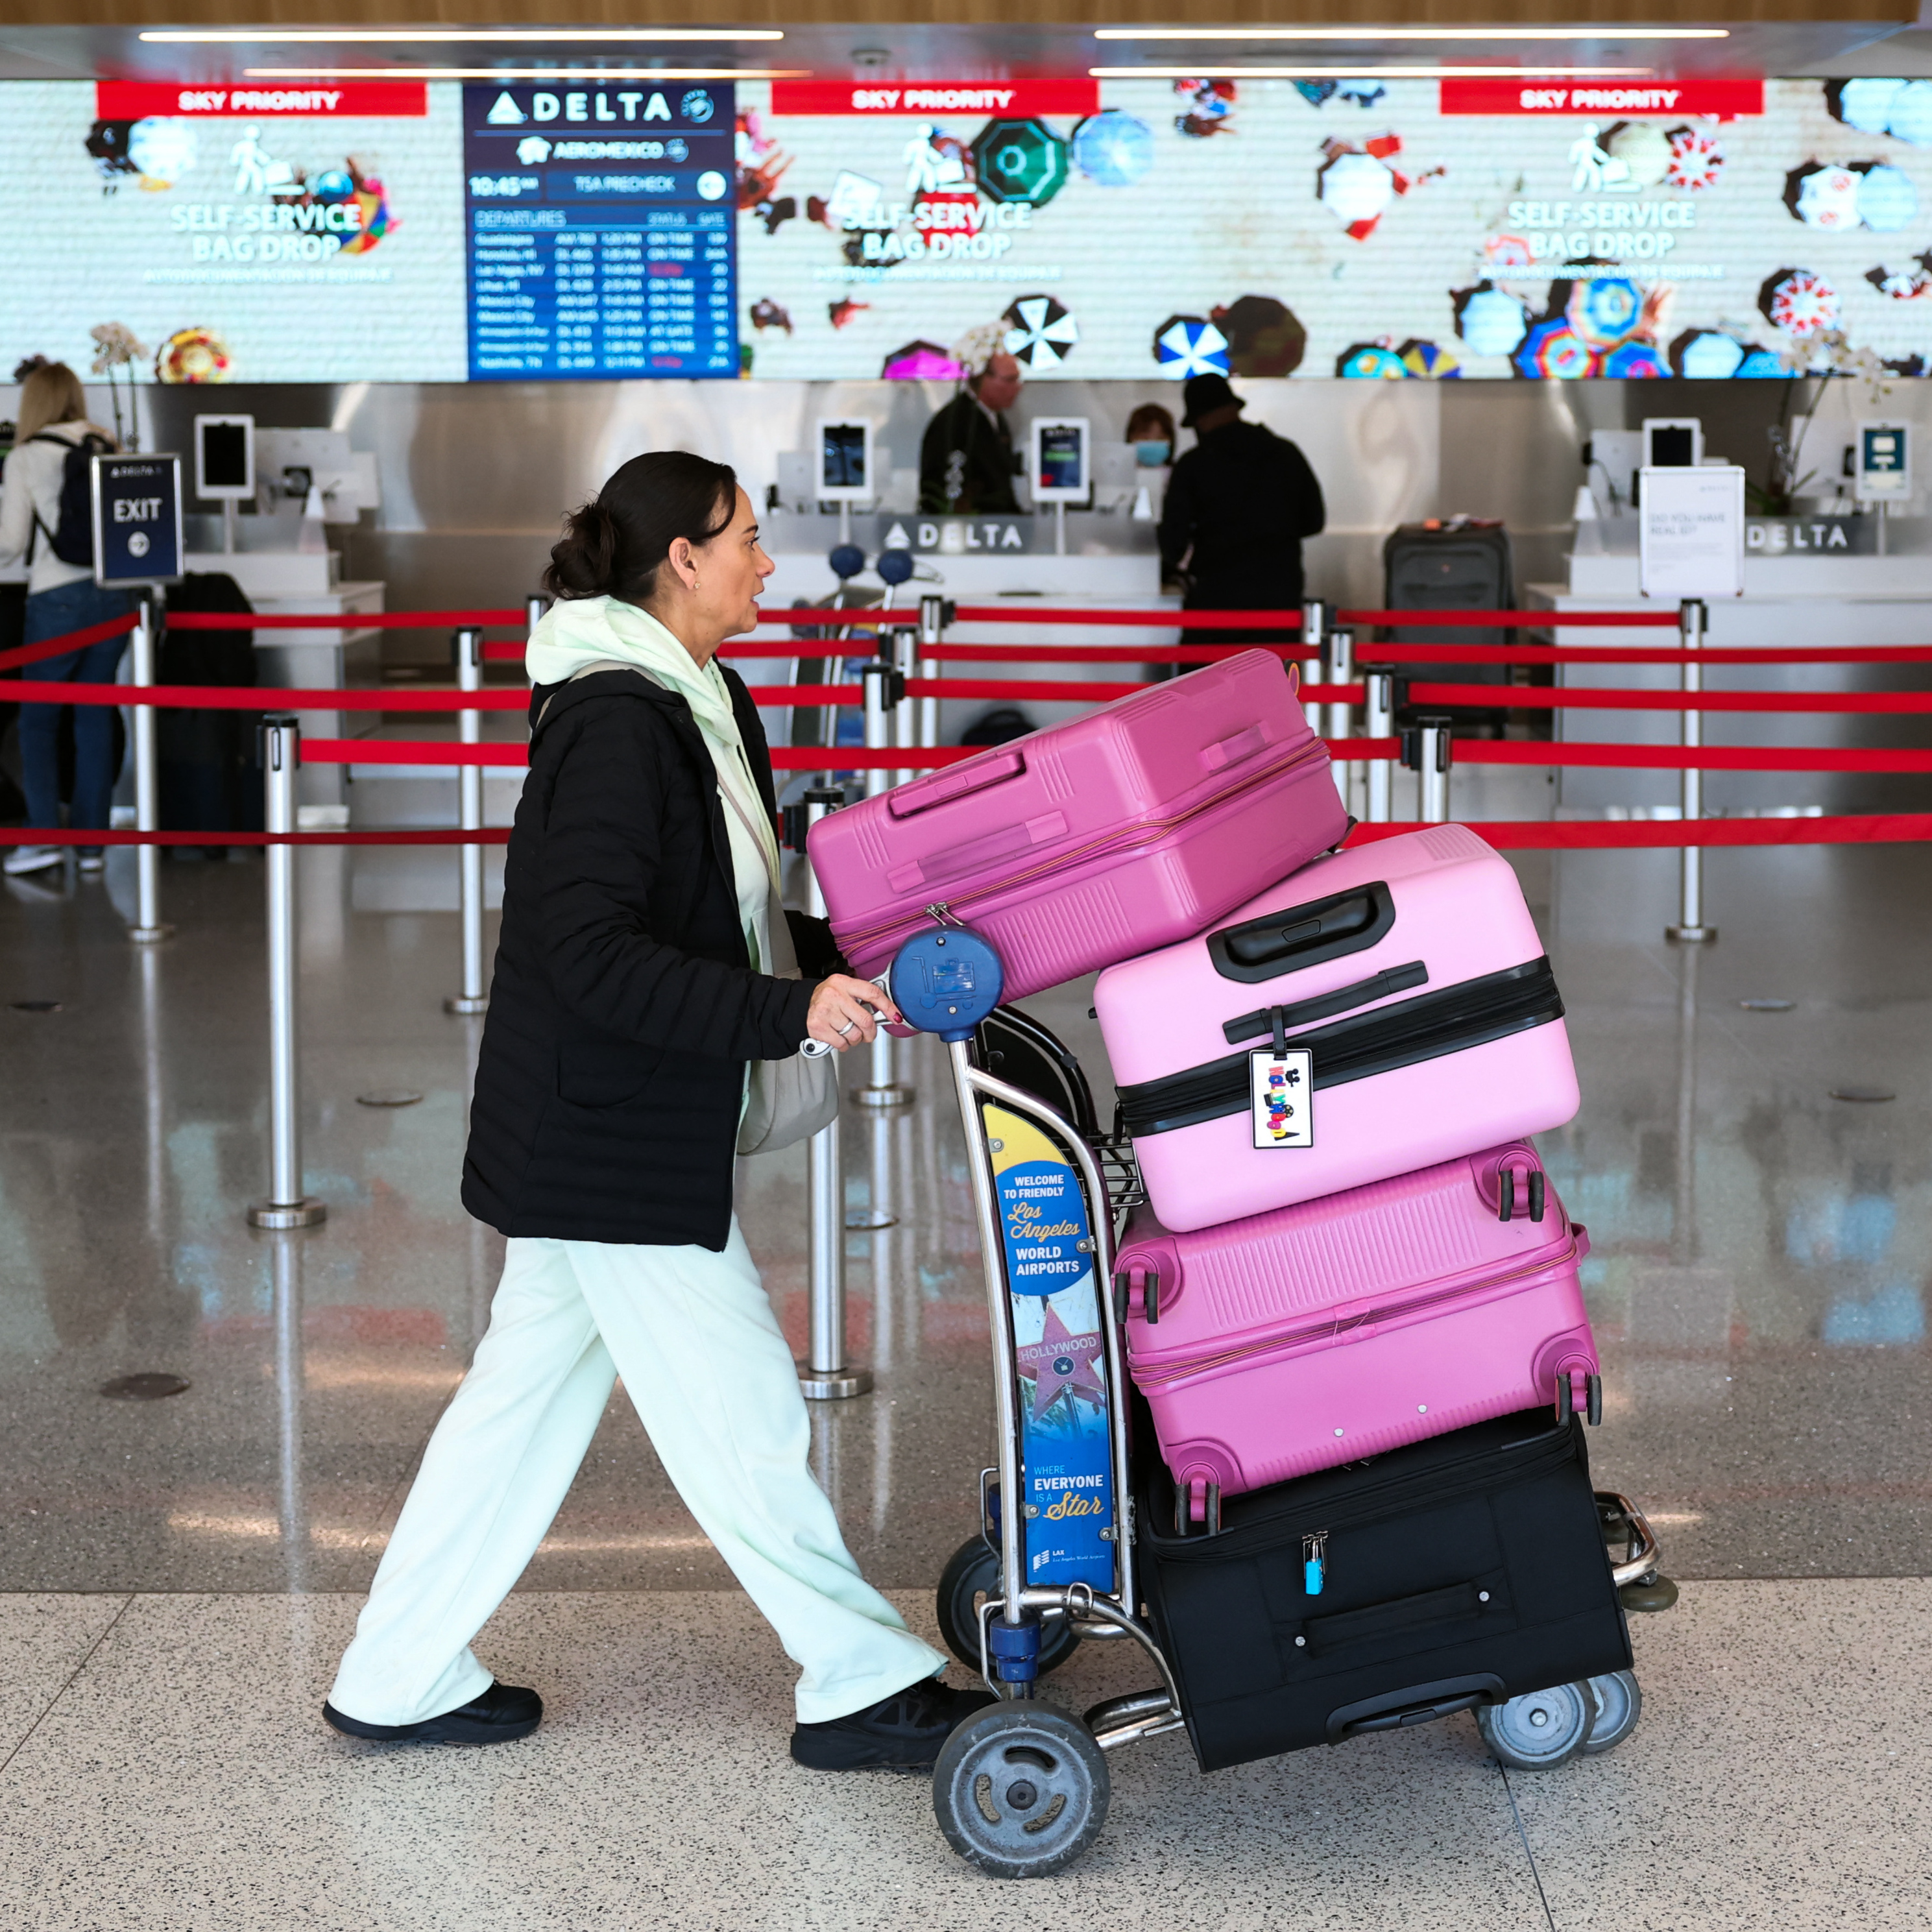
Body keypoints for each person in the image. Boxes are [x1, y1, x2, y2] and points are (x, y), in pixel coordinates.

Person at [323, 452, 992, 1769]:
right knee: (739, 1400)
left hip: (601, 1120)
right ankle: (858, 1676)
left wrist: (839, 960)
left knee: (516, 1408)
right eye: (746, 536)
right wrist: (784, 1012)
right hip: (608, 1131)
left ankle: (396, 1671)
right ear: (680, 558)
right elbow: (588, 950)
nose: (766, 560)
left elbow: (720, 913)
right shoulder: (619, 717)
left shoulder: (708, 694)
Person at [0, 361, 130, 877]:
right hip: (114, 598)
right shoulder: (108, 445)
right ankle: (93, 846)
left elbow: (10, 544)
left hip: (57, 598)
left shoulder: (28, 456)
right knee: (94, 716)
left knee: (37, 722)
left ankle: (44, 837)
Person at [1157, 372, 1325, 625]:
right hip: (1279, 598)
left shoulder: (1194, 465)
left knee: (1209, 666)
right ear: (1234, 408)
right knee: (1273, 664)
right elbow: (1314, 521)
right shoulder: (1285, 453)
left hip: (1217, 602)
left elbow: (1173, 543)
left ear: (1200, 420)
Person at [919, 325, 1022, 514]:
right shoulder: (954, 423)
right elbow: (941, 487)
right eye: (1010, 380)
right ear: (982, 377)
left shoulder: (996, 419)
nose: (1018, 387)